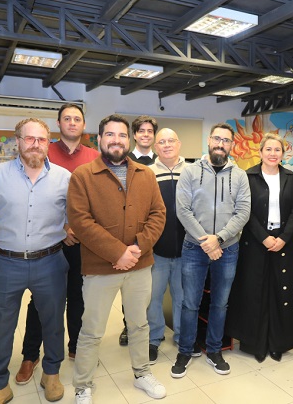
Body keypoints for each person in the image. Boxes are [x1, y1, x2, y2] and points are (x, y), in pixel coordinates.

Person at [67, 114, 167, 402]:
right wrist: (118, 252)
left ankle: (142, 373)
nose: (116, 140)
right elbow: (81, 221)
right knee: (92, 330)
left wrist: (136, 248)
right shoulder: (83, 176)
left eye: (122, 135)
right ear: (99, 139)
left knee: (139, 324)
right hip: (100, 267)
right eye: (110, 135)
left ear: (129, 140)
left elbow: (158, 214)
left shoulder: (146, 174)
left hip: (139, 264)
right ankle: (83, 385)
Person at [0, 118, 71, 404]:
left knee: (53, 324)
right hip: (7, 264)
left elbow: (71, 219)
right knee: (0, 327)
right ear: (17, 141)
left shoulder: (64, 178)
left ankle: (51, 374)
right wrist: (8, 236)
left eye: (41, 139)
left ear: (48, 143)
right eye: (29, 139)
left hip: (51, 263)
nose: (35, 145)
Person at [16, 103, 99, 385]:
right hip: (48, 242)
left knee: (78, 296)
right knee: (41, 300)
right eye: (67, 118)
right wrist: (62, 228)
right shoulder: (43, 151)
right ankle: (30, 355)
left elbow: (98, 200)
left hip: (83, 242)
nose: (72, 123)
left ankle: (76, 346)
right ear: (59, 124)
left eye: (77, 119)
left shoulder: (94, 156)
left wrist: (81, 229)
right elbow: (32, 200)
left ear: (83, 125)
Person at [171, 123, 251, 378]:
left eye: (226, 140)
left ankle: (215, 350)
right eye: (217, 139)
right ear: (209, 140)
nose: (220, 144)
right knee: (190, 303)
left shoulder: (240, 176)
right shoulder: (190, 171)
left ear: (231, 145)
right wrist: (206, 241)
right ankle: (185, 350)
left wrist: (220, 238)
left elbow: (243, 212)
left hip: (227, 249)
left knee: (220, 303)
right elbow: (183, 210)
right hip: (194, 248)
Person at [226, 133, 293, 363]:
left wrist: (284, 237)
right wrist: (264, 238)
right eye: (268, 149)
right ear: (260, 152)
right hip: (255, 241)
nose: (273, 154)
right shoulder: (248, 176)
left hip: (284, 242)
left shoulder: (290, 177)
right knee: (256, 292)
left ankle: (278, 343)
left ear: (283, 153)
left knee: (282, 292)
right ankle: (256, 344)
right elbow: (244, 210)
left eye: (277, 150)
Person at [147, 128, 188, 364]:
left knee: (182, 297)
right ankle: (154, 338)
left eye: (171, 140)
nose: (167, 145)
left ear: (179, 144)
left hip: (187, 249)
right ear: (156, 147)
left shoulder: (191, 171)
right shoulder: (148, 173)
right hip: (157, 251)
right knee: (153, 298)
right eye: (161, 142)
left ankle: (183, 337)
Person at [119, 114, 158, 346]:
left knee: (150, 289)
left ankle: (151, 326)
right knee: (130, 286)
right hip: (131, 233)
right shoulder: (124, 160)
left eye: (149, 131)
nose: (145, 135)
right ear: (134, 135)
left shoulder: (161, 160)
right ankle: (128, 326)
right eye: (141, 131)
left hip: (155, 230)